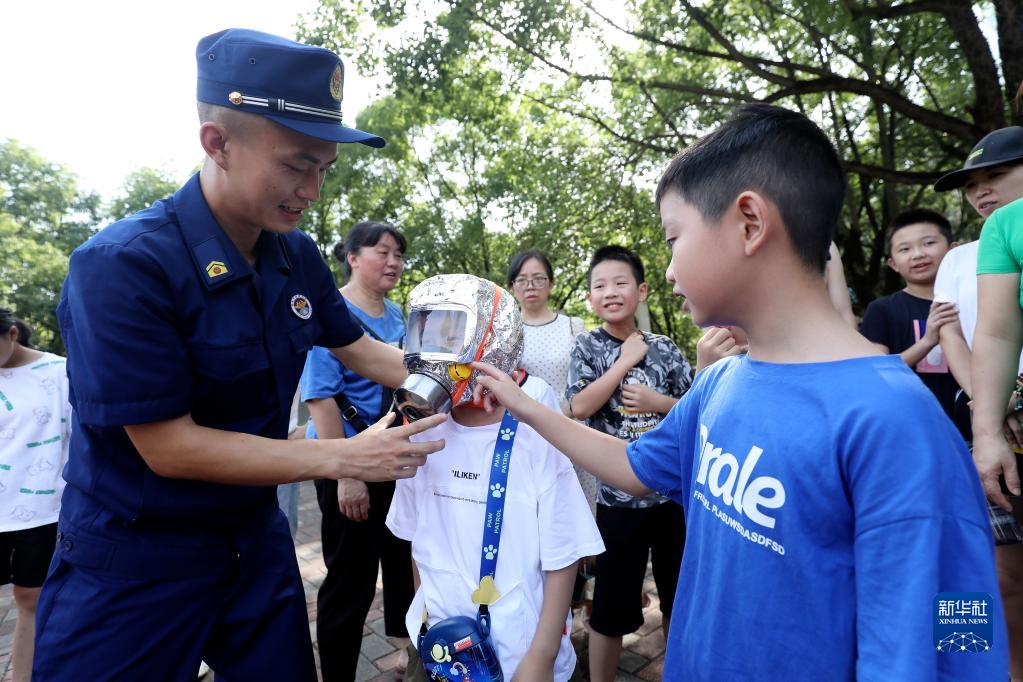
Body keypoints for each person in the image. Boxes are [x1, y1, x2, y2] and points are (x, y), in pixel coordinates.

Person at [471, 103, 1006, 680]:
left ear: (749, 222)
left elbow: (964, 634)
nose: (669, 272)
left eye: (674, 238)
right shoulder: (721, 382)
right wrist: (525, 407)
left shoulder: (901, 422)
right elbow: (631, 465)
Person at [33, 29, 446, 681]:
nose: (311, 188)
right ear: (216, 143)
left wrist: (458, 374)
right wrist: (343, 456)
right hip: (134, 559)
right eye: (295, 163)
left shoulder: (295, 253)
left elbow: (361, 348)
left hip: (250, 544)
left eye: (322, 168)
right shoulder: (122, 266)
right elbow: (168, 446)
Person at [386, 282, 604, 681]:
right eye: (424, 332)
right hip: (436, 643)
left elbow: (564, 545)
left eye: (450, 335)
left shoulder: (531, 410)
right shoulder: (418, 423)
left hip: (518, 652)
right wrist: (427, 622)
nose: (432, 349)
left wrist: (541, 656)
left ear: (492, 335)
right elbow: (417, 537)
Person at [566, 246, 692, 682]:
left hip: (672, 497)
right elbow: (579, 407)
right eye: (599, 285)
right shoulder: (586, 346)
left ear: (640, 291)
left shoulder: (667, 348)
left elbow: (695, 412)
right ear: (589, 298)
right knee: (612, 605)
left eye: (620, 283)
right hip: (618, 500)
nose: (610, 292)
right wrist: (622, 364)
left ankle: (680, 671)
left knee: (680, 596)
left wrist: (658, 402)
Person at [300, 222, 415, 680]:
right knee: (352, 579)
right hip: (345, 460)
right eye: (382, 252)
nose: (393, 262)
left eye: (399, 255)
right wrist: (345, 471)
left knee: (403, 560)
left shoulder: (400, 315)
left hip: (391, 457)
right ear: (351, 256)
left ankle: (409, 651)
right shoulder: (331, 312)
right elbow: (320, 397)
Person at [951, 127, 1023, 682]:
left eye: (995, 176)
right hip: (970, 424)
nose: (983, 192)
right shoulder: (972, 253)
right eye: (972, 185)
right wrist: (988, 420)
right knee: (981, 569)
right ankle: (980, 668)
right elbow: (981, 337)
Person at [0, 310, 70, 682]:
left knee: (32, 601)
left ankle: (22, 677)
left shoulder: (59, 372)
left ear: (12, 333)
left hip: (41, 510)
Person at [507, 250, 595, 512]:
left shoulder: (573, 326)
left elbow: (586, 382)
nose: (530, 286)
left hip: (573, 433)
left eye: (538, 278)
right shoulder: (505, 333)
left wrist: (562, 414)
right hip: (526, 437)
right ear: (512, 287)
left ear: (551, 283)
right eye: (522, 280)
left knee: (577, 511)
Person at [859, 209, 962, 422]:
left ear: (954, 250)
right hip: (912, 423)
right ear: (893, 264)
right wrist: (927, 341)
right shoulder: (882, 309)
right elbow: (875, 372)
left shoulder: (975, 301)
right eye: (905, 249)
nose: (918, 254)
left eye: (929, 243)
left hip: (975, 423)